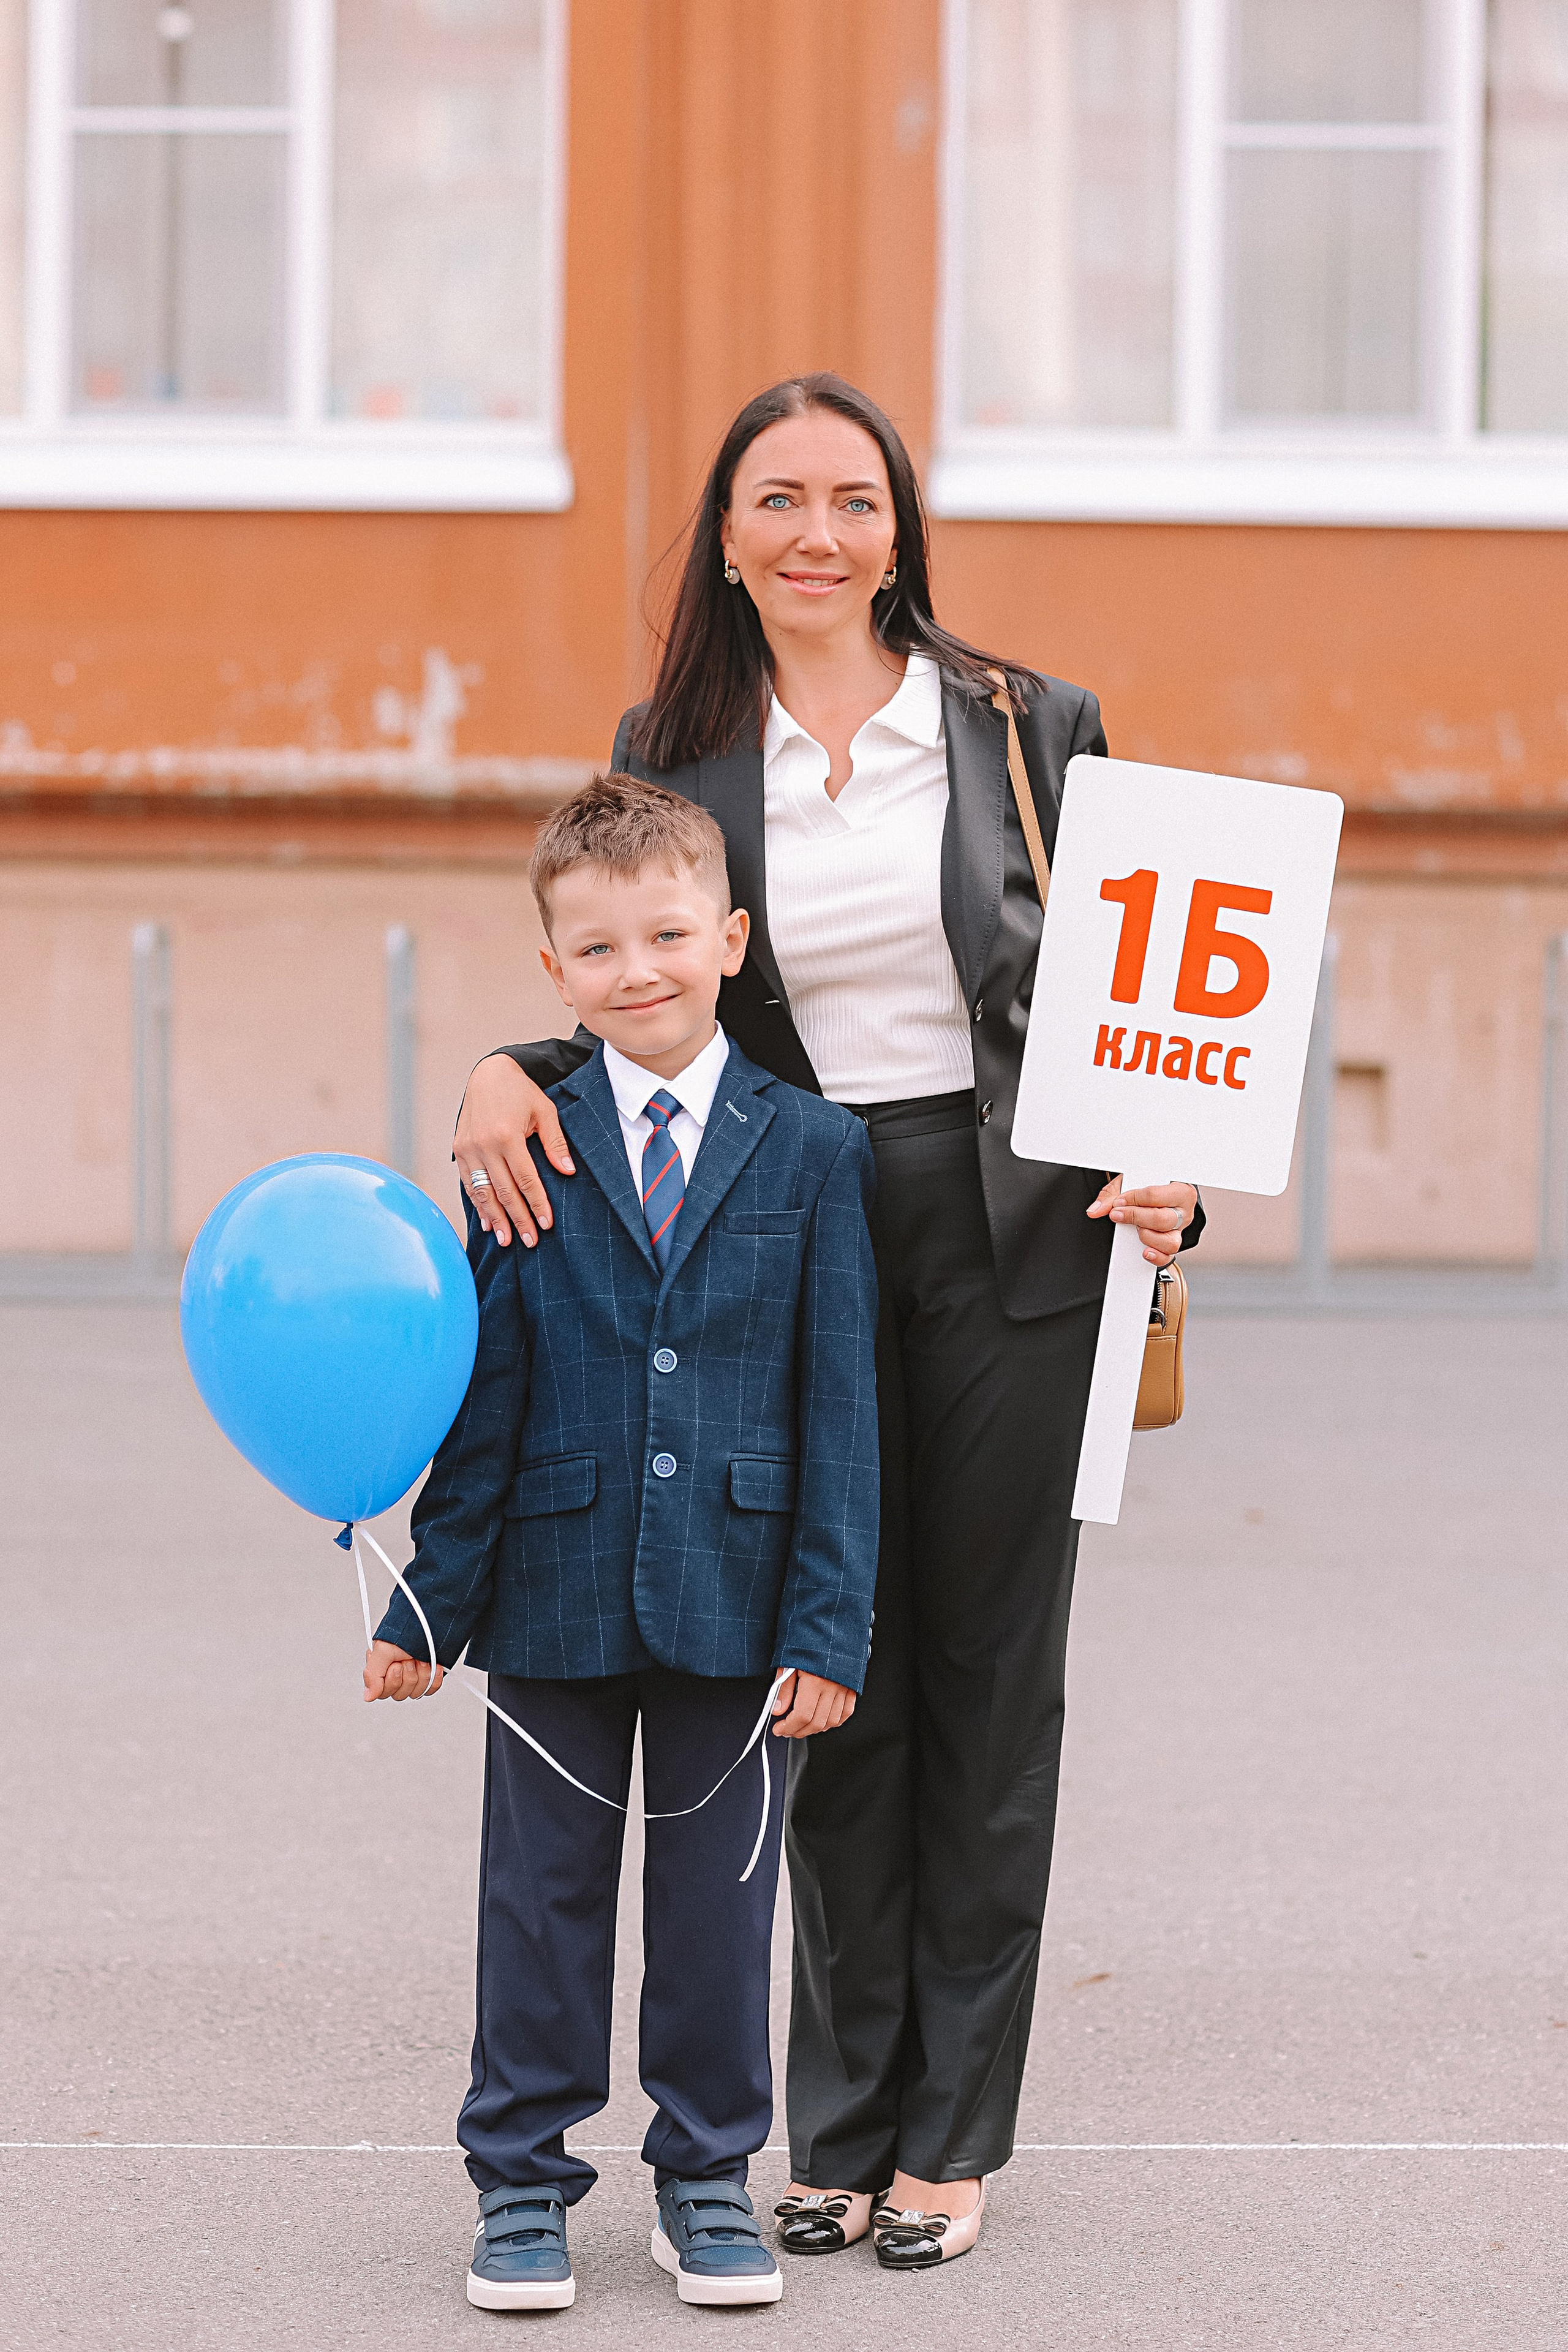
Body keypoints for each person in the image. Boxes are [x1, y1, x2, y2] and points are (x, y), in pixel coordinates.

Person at [452, 373, 1204, 2272]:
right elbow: (637, 965)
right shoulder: (674, 746)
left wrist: (1172, 1172)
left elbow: (1138, 1001)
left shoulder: (1031, 724)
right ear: (726, 534)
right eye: (775, 499)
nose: (816, 531)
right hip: (781, 1230)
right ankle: (840, 2121)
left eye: (852, 498)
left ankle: (952, 2138)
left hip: (1012, 1226)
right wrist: (499, 1063)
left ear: (900, 526)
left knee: (988, 1677)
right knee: (829, 1673)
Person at [364, 772, 879, 2312]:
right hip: (550, 1583)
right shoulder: (526, 1141)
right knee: (536, 1900)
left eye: (665, 935)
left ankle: (708, 2175)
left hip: (742, 1593)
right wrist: (428, 1609)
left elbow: (839, 1405)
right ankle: (519, 2181)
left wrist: (830, 1627)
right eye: (596, 951)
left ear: (727, 937)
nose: (635, 972)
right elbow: (486, 1399)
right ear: (553, 974)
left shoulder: (816, 1152)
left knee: (722, 1904)